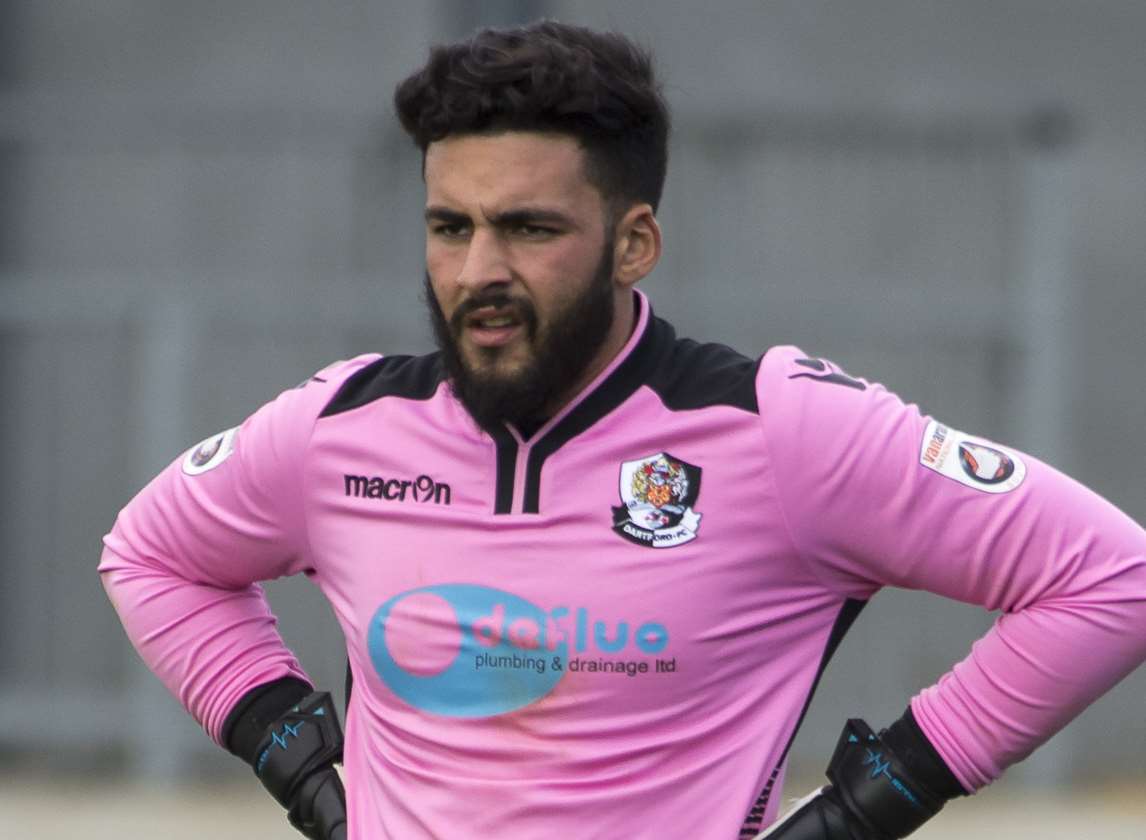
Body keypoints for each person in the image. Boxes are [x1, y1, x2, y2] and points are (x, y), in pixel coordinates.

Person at [99, 20, 1146, 840]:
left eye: (530, 228)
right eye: (449, 227)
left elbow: (1112, 578)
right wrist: (299, 765)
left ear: (634, 241)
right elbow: (149, 555)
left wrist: (869, 807)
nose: (477, 273)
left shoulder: (782, 429)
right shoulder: (341, 429)